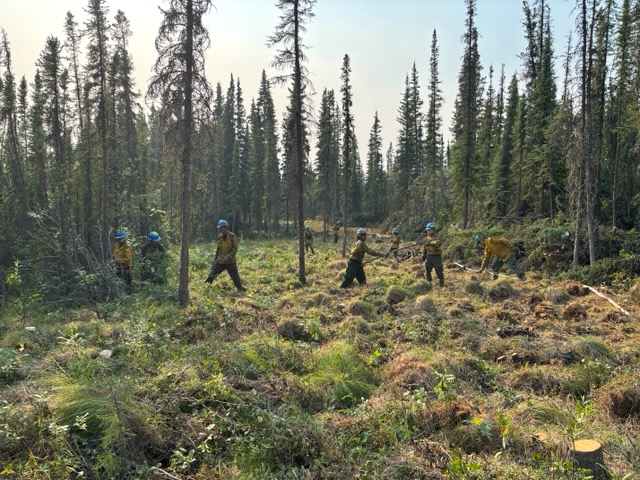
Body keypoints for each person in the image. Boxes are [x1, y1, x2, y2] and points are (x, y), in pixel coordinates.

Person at [204, 219, 247, 292]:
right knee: (212, 274)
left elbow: (235, 249)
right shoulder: (220, 237)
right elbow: (218, 249)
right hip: (220, 261)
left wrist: (228, 257)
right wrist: (215, 259)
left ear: (226, 228)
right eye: (219, 228)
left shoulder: (232, 236)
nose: (219, 229)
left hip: (230, 261)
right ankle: (205, 287)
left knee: (235, 277)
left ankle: (240, 290)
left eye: (221, 228)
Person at [422, 222, 445, 286]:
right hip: (429, 255)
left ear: (433, 230)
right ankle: (428, 281)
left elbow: (437, 244)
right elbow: (424, 247)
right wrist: (423, 254)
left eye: (429, 230)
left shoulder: (437, 237)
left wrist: (430, 243)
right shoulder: (426, 238)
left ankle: (441, 281)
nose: (428, 232)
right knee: (427, 268)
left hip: (436, 256)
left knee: (438, 268)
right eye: (427, 231)